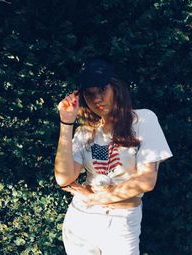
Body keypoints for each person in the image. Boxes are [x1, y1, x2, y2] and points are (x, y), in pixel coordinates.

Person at [54, 59, 173, 255]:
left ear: (117, 88)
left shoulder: (143, 120)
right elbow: (64, 178)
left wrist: (95, 198)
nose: (97, 99)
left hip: (121, 222)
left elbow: (146, 181)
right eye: (90, 94)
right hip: (82, 220)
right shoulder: (85, 132)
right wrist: (66, 123)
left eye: (102, 89)